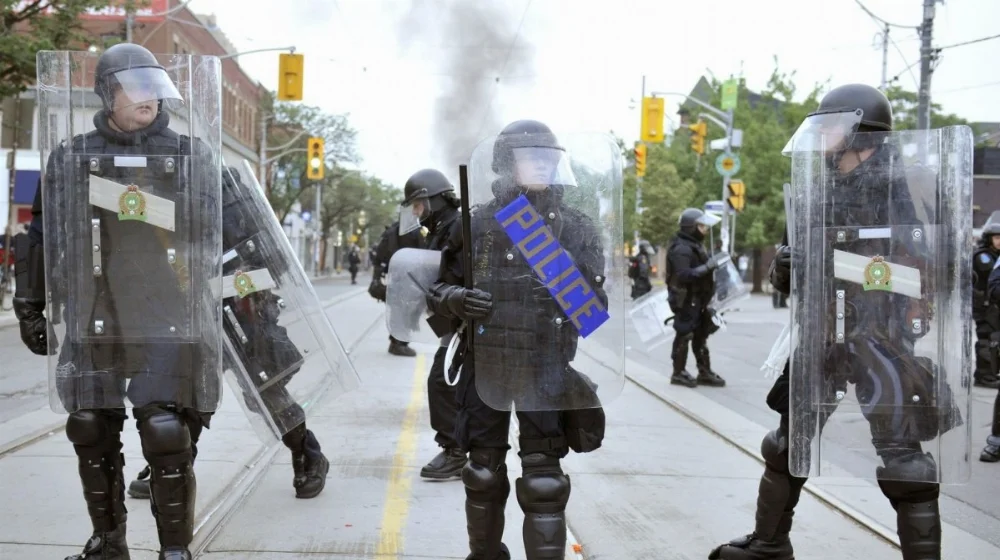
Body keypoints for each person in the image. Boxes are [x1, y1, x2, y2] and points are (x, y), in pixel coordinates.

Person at [709, 83, 967, 560]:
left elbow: (930, 272)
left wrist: (839, 265)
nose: (822, 138)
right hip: (824, 336)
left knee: (905, 462)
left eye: (829, 128)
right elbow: (791, 278)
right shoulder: (817, 192)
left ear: (859, 133)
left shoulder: (907, 187)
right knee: (787, 445)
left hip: (883, 338)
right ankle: (769, 544)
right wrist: (786, 269)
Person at [14, 43, 225, 560]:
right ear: (108, 93)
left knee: (166, 429)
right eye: (136, 87)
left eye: (154, 87)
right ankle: (109, 541)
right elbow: (39, 236)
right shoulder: (71, 155)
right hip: (94, 311)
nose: (148, 98)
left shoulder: (190, 154)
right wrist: (29, 305)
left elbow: (222, 232)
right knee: (89, 425)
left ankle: (174, 549)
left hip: (167, 313)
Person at [426, 120, 614, 559]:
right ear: (508, 165)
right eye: (532, 159)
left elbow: (595, 310)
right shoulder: (475, 224)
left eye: (549, 159)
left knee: (543, 478)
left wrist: (563, 286)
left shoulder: (575, 228)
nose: (543, 167)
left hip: (545, 367)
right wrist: (456, 298)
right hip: (485, 363)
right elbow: (437, 291)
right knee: (483, 474)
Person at [127, 166, 331, 502]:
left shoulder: (229, 190)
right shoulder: (151, 190)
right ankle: (172, 465)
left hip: (239, 314)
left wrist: (239, 278)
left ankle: (309, 455)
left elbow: (274, 262)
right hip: (186, 315)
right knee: (187, 394)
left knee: (265, 393)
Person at [396, 168, 469, 480]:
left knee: (442, 382)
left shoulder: (459, 226)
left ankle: (456, 451)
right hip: (452, 321)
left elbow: (463, 275)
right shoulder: (442, 228)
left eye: (419, 204)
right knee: (452, 386)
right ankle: (464, 450)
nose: (416, 211)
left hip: (467, 322)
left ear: (434, 199)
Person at [665, 209, 727, 388]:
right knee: (684, 333)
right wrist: (707, 267)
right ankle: (678, 372)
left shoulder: (694, 245)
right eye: (701, 226)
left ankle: (704, 371)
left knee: (701, 335)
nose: (705, 230)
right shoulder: (682, 248)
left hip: (699, 299)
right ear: (690, 227)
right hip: (686, 299)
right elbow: (683, 274)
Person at [369, 220, 426, 357]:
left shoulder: (395, 229)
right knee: (404, 310)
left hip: (398, 275)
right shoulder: (408, 231)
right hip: (406, 276)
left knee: (401, 309)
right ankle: (398, 344)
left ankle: (397, 342)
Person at [973, 223, 1000, 389]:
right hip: (983, 307)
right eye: (997, 238)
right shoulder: (984, 257)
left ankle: (989, 374)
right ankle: (985, 376)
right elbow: (989, 272)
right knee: (986, 340)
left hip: (991, 307)